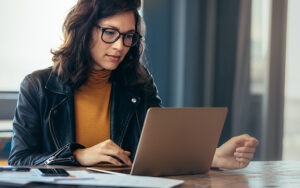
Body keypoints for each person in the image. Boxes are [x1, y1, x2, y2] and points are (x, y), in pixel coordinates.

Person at [8, 0, 258, 169]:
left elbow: (160, 148)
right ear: (83, 30)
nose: (120, 46)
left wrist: (212, 156)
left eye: (129, 36)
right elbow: (19, 161)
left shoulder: (138, 82)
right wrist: (77, 156)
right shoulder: (38, 86)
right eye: (110, 32)